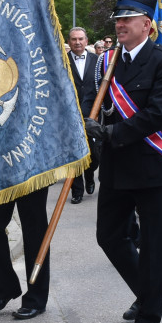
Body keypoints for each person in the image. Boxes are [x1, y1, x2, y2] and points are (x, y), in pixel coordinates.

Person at [83, 0, 162, 323]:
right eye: (117, 20)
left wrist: (111, 132)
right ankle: (145, 289)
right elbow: (91, 100)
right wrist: (88, 124)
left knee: (154, 246)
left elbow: (157, 114)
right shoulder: (108, 61)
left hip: (153, 165)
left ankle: (148, 317)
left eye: (127, 20)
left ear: (147, 25)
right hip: (117, 166)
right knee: (109, 235)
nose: (120, 25)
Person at [0, 187, 50, 319]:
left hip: (31, 171)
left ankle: (36, 299)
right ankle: (6, 288)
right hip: (0, 172)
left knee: (34, 230)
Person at [66, 26, 99, 203]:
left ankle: (90, 173)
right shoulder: (61, 61)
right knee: (74, 154)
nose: (77, 42)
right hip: (69, 116)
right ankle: (76, 191)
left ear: (86, 41)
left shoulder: (97, 60)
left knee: (94, 154)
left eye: (80, 39)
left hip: (92, 115)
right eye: (74, 39)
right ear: (69, 41)